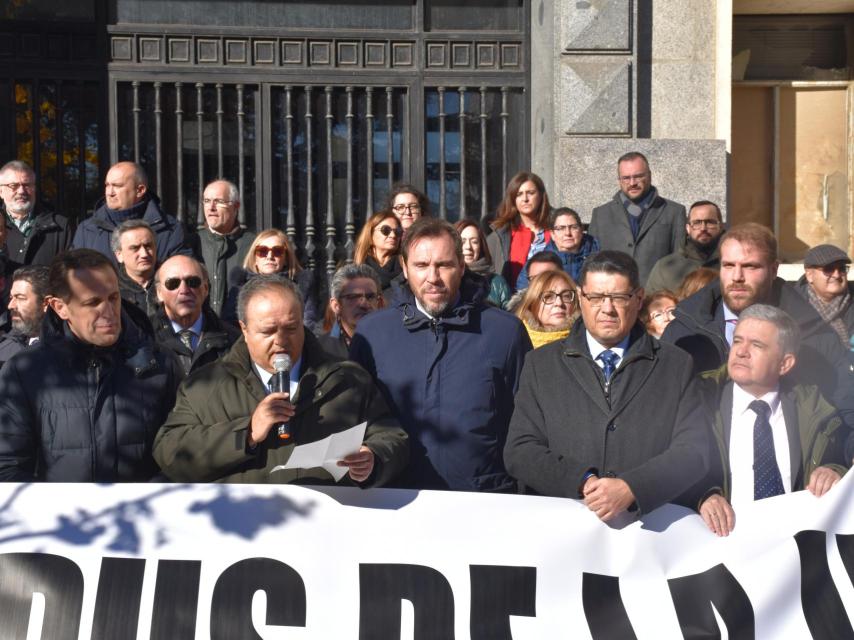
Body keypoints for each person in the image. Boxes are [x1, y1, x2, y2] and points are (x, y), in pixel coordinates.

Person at [504, 250, 710, 520]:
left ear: (638, 299)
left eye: (618, 297)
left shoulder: (675, 365)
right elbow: (520, 450)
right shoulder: (541, 365)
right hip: (565, 532)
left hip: (650, 534)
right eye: (597, 297)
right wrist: (584, 482)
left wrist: (633, 487)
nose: (607, 308)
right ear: (581, 297)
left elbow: (694, 451)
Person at [153, 275, 409, 485]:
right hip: (243, 533)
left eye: (291, 328)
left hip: (323, 531)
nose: (281, 341)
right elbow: (170, 453)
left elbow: (391, 437)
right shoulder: (205, 385)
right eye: (267, 331)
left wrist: (373, 458)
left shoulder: (347, 379)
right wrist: (247, 433)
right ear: (244, 328)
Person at [350, 218, 532, 491]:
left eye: (443, 265)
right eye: (421, 266)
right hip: (394, 500)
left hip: (485, 501)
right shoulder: (372, 333)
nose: (432, 278)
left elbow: (526, 422)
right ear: (404, 268)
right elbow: (355, 418)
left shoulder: (504, 332)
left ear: (461, 266)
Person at [0, 249, 180, 482]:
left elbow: (180, 456)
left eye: (113, 298)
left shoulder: (161, 364)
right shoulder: (23, 372)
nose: (109, 312)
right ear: (59, 307)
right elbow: (8, 465)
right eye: (92, 302)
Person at [692, 305, 847, 537]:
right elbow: (672, 469)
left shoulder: (815, 411)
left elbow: (839, 462)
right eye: (737, 341)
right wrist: (701, 496)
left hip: (793, 553)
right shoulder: (698, 402)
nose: (742, 352)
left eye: (757, 345)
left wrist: (835, 472)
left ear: (785, 364)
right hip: (720, 550)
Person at [588, 152, 687, 286]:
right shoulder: (600, 214)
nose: (632, 183)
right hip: (613, 297)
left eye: (638, 176)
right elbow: (592, 263)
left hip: (656, 298)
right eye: (626, 178)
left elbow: (679, 261)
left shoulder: (674, 212)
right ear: (619, 180)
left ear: (650, 176)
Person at [73, 161, 190, 265]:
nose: (110, 192)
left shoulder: (170, 229)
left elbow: (182, 277)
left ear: (140, 190)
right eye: (107, 185)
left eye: (117, 186)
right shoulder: (87, 229)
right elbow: (74, 275)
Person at [153, 255, 239, 378]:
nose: (184, 290)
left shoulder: (233, 339)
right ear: (159, 293)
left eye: (192, 282)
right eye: (173, 283)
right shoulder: (144, 338)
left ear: (205, 288)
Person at [223, 229, 320, 330]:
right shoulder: (240, 285)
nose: (269, 256)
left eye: (277, 251)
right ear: (255, 258)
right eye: (262, 251)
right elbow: (231, 327)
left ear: (286, 258)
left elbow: (308, 325)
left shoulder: (302, 285)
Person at [192, 179, 256, 317]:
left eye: (218, 201)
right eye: (207, 201)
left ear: (236, 206)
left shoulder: (253, 244)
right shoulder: (192, 242)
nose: (211, 207)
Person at [486, 171, 552, 291]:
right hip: (514, 303)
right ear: (513, 199)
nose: (525, 199)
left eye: (530, 193)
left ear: (541, 195)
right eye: (519, 194)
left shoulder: (557, 227)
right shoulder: (500, 234)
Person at [0, 160, 71, 268]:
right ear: (1, 191)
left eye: (27, 185)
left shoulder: (60, 226)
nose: (21, 191)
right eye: (13, 186)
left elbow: (69, 273)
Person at [645, 200, 723, 294]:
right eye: (697, 223)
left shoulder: (734, 263)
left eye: (710, 222)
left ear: (720, 226)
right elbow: (652, 305)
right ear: (688, 228)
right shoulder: (665, 268)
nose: (703, 228)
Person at [515, 207, 599, 290]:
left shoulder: (599, 254)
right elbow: (525, 295)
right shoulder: (538, 263)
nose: (567, 233)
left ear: (581, 230)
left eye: (573, 227)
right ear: (552, 234)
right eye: (561, 228)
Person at [795, 244, 854, 348]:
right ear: (810, 275)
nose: (837, 275)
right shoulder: (791, 306)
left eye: (842, 269)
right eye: (828, 269)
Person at [319, 263, 382, 359]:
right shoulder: (320, 350)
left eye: (370, 297)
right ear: (336, 306)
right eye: (353, 297)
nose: (364, 304)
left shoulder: (392, 344)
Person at [454, 218, 510, 309]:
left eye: (474, 242)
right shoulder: (447, 280)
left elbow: (509, 319)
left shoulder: (497, 283)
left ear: (481, 246)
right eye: (462, 241)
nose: (468, 246)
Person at [515, 270, 577, 348]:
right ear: (532, 303)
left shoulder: (587, 340)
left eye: (566, 296)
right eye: (548, 297)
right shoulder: (515, 343)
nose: (559, 303)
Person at [0, 265, 48, 365]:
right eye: (11, 297)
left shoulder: (71, 352)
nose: (10, 305)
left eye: (20, 298)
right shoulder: (5, 347)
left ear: (45, 303)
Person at [112, 219, 159, 317]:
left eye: (148, 246)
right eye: (134, 248)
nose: (144, 254)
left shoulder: (173, 281)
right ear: (119, 255)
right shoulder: (111, 289)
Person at [354, 211, 403, 295]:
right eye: (385, 230)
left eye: (397, 231)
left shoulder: (406, 268)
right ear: (370, 234)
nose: (393, 235)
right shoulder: (353, 270)